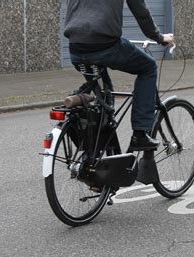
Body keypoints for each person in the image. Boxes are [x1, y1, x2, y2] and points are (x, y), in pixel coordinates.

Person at [64, 0, 174, 151]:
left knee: (105, 98)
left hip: (76, 48)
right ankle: (140, 135)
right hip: (105, 46)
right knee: (148, 68)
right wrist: (159, 37)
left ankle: (97, 154)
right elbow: (141, 12)